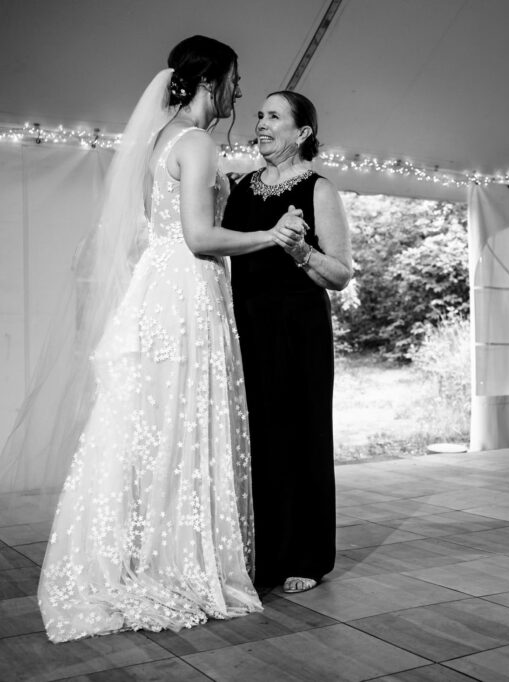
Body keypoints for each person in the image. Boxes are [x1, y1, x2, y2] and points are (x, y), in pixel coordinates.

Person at [30, 36, 306, 642]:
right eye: (236, 79)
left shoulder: (163, 140)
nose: (240, 91)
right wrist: (273, 237)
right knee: (182, 421)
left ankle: (138, 556)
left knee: (153, 425)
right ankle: (174, 563)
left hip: (160, 290)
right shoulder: (197, 142)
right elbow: (200, 237)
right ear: (212, 82)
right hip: (185, 293)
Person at [223, 91, 353, 595]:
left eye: (274, 116)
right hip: (245, 325)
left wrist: (300, 249)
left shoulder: (321, 190)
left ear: (301, 133)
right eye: (259, 114)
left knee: (301, 436)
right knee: (256, 438)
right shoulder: (238, 188)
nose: (260, 122)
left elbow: (340, 274)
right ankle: (262, 551)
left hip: (299, 330)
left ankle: (306, 553)